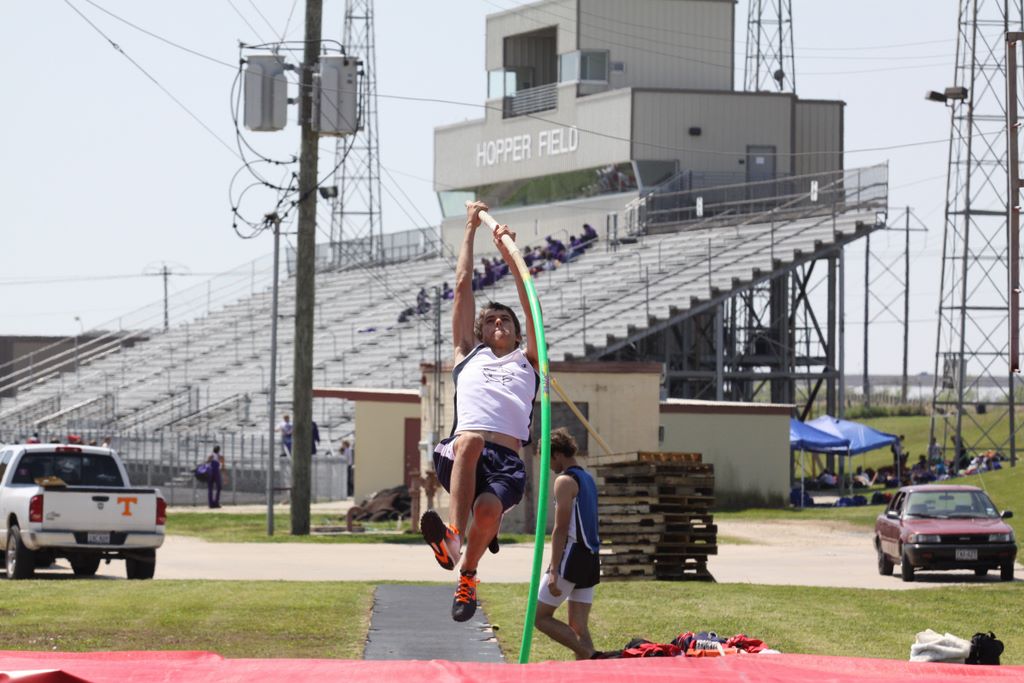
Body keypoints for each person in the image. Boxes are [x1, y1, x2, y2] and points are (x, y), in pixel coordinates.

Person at [420, 200, 540, 623]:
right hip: (462, 453)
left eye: (505, 320)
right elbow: (462, 287)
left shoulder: (530, 361)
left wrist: (511, 257)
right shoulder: (468, 356)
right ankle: (453, 536)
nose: (498, 324)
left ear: (518, 333)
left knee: (488, 511)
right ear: (481, 332)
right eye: (490, 321)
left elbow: (530, 304)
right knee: (469, 439)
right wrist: (470, 228)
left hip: (506, 462)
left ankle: (468, 574)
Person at [534, 428, 601, 660]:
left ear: (557, 454)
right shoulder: (588, 479)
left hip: (571, 556)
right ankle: (590, 669)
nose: (547, 466)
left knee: (539, 617)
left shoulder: (564, 481)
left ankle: (592, 656)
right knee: (579, 627)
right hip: (590, 557)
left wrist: (554, 570)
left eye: (547, 459)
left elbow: (560, 527)